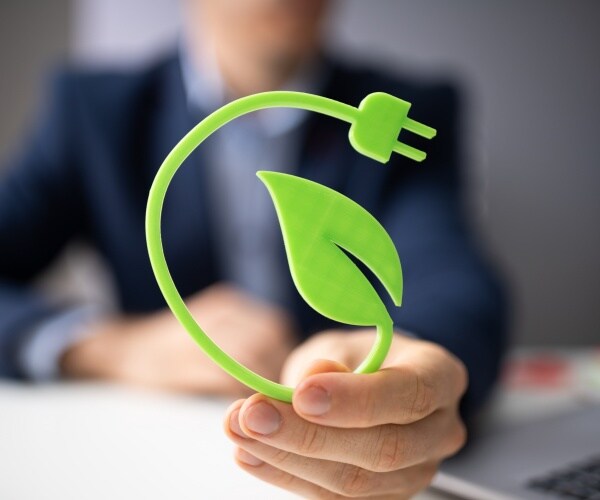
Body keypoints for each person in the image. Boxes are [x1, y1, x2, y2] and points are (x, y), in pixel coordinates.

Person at [0, 0, 507, 497]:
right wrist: (112, 348)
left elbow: (451, 279)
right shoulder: (94, 110)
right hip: (151, 457)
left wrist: (405, 370)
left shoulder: (401, 113)